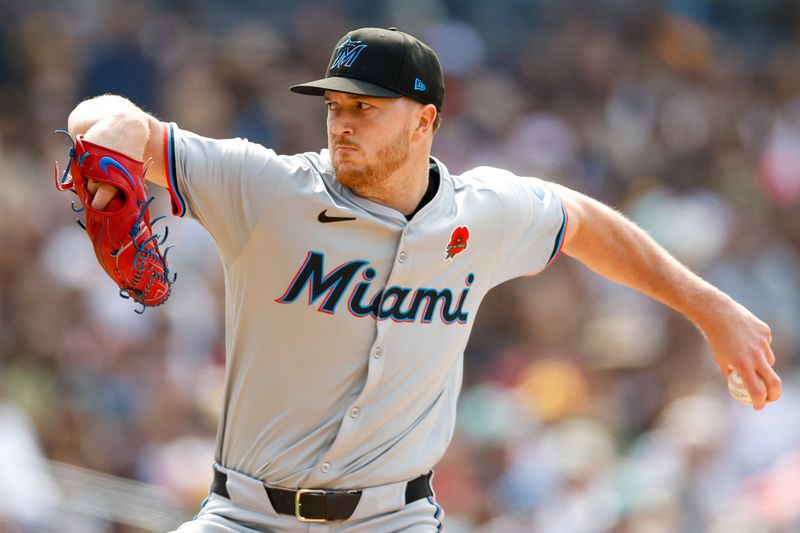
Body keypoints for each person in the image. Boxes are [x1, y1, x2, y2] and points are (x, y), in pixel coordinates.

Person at [65, 27, 780, 532]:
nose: (341, 123)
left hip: (395, 518)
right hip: (247, 515)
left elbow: (585, 221)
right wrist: (102, 161)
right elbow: (107, 119)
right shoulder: (266, 189)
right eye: (335, 106)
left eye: (365, 108)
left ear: (425, 121)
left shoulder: (486, 213)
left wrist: (711, 309)